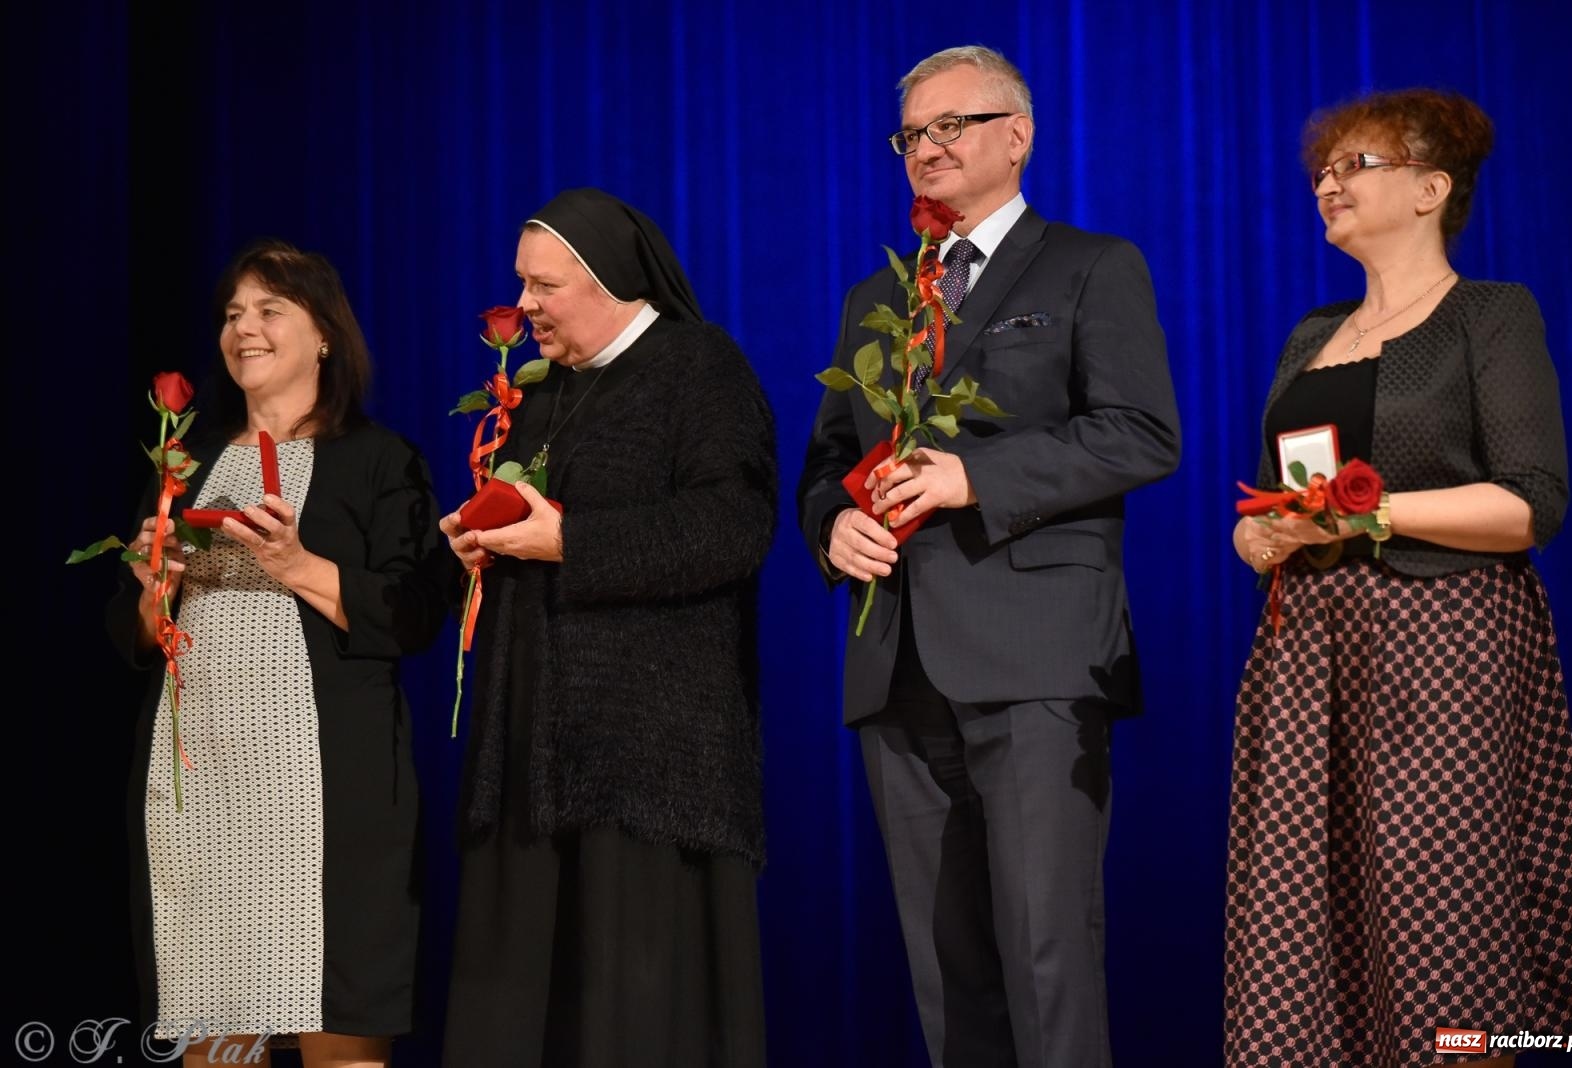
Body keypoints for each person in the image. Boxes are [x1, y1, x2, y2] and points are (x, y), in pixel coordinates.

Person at [798, 46, 1181, 1068]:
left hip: (1037, 657)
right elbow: (828, 466)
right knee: (944, 965)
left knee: (1045, 955)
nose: (927, 148)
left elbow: (1142, 433)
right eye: (911, 134)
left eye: (950, 126)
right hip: (897, 663)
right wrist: (833, 528)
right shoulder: (876, 300)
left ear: (1017, 135)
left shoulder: (1090, 266)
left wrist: (977, 478)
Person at [1227, 88, 1572, 1067]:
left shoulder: (1487, 315)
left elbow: (1530, 503)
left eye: (1357, 166)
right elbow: (1274, 498)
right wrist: (1260, 540)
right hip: (1310, 657)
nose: (1327, 183)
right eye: (1322, 170)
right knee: (1307, 913)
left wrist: (1374, 514)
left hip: (1443, 646)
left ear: (1432, 189)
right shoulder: (1312, 334)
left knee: (1444, 922)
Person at [440, 188, 776, 1068]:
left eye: (543, 287)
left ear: (611, 281)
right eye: (521, 285)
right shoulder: (543, 393)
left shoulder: (701, 368)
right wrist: (482, 539)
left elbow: (734, 527)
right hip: (530, 756)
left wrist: (569, 540)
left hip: (649, 760)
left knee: (634, 1020)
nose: (525, 307)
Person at [107, 239, 449, 1067]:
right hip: (204, 791)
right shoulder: (187, 466)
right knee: (215, 1045)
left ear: (325, 333)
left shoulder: (377, 460)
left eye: (269, 311)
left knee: (341, 1037)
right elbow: (133, 638)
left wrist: (297, 564)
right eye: (232, 314)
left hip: (326, 796)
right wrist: (156, 591)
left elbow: (414, 614)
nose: (244, 329)